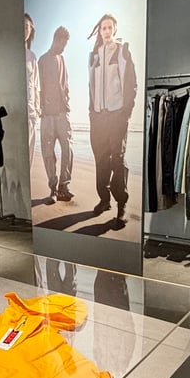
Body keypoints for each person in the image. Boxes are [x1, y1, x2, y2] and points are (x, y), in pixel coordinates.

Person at [86, 13, 137, 224]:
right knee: (100, 160)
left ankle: (121, 204)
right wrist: (92, 112)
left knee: (117, 159)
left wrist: (126, 112)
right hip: (99, 118)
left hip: (117, 116)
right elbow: (91, 86)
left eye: (109, 27)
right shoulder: (94, 56)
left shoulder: (123, 51)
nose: (106, 31)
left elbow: (132, 84)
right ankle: (104, 200)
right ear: (99, 31)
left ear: (114, 29)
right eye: (103, 28)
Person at [38, 26, 74, 202]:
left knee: (68, 148)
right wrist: (41, 109)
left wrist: (66, 103)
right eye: (63, 44)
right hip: (47, 115)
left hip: (62, 113)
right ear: (56, 39)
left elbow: (65, 84)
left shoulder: (62, 59)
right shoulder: (42, 60)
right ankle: (53, 189)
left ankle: (63, 186)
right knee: (48, 153)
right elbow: (38, 87)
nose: (64, 48)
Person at [25, 14, 41, 172]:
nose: (24, 30)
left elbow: (36, 85)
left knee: (29, 154)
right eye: (22, 26)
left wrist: (36, 109)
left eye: (27, 27)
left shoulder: (32, 57)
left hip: (30, 113)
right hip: (15, 111)